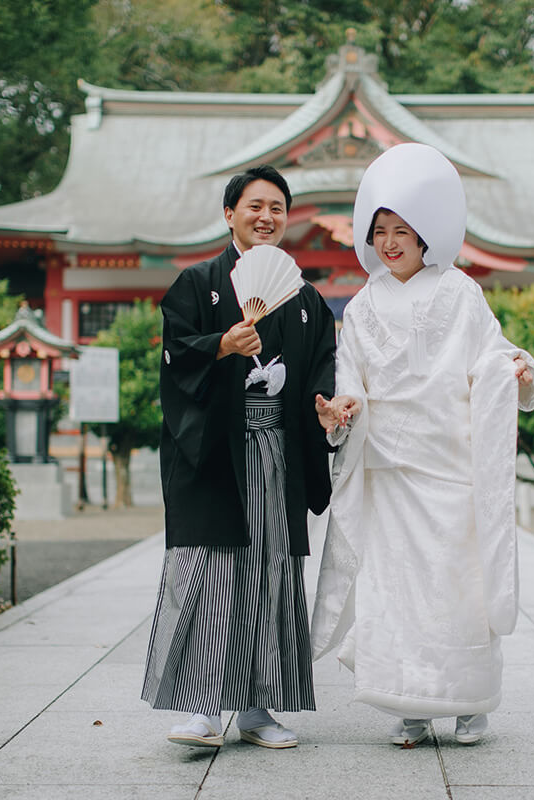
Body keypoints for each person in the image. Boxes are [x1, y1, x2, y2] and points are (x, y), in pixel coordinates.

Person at [312, 143, 534, 747]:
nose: (390, 242)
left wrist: (511, 369)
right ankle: (408, 703)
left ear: (426, 235)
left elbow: (489, 354)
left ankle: (470, 705)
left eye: (402, 230)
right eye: (380, 230)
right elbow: (350, 377)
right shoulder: (361, 307)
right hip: (390, 469)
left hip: (449, 466)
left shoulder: (461, 293)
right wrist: (341, 408)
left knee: (457, 586)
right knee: (395, 591)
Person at [142, 164, 336, 750]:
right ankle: (200, 708)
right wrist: (221, 344)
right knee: (209, 573)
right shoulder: (196, 283)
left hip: (278, 452)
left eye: (277, 207)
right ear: (230, 214)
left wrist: (327, 406)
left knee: (271, 576)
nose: (266, 217)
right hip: (214, 453)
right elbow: (176, 357)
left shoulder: (305, 301)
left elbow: (324, 367)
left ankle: (257, 709)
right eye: (254, 206)